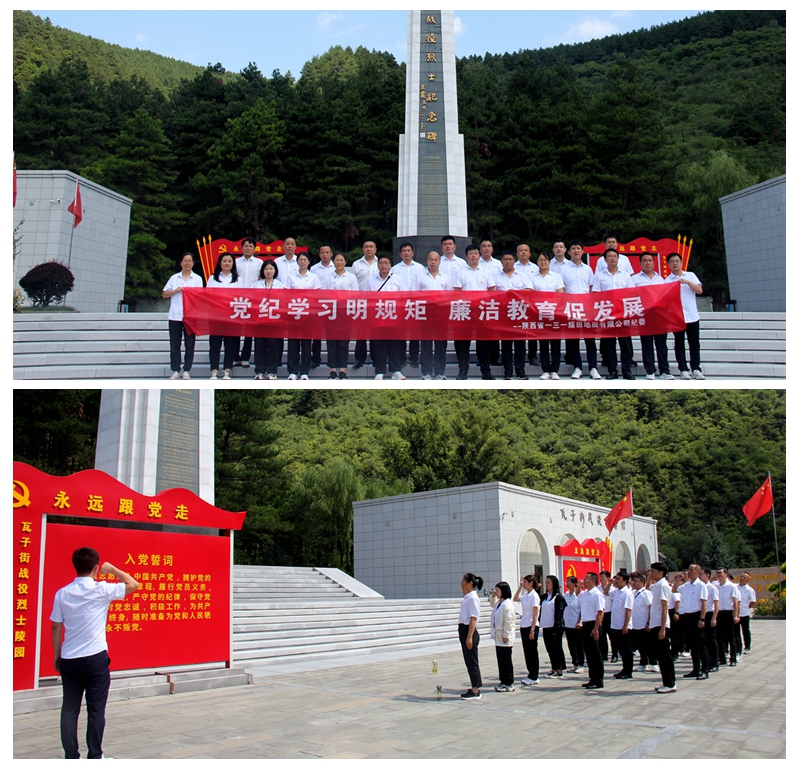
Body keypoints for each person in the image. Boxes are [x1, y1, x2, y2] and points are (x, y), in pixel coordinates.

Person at [50, 547, 139, 759]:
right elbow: (133, 584)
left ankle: (71, 756)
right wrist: (114, 569)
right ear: (96, 568)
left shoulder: (62, 593)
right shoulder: (101, 589)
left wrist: (57, 655)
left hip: (70, 658)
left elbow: (56, 626)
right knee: (96, 710)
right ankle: (95, 756)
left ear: (76, 566)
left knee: (69, 709)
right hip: (94, 658)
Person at [362, 254, 407, 381]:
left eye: (386, 262)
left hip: (394, 317)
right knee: (379, 345)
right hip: (378, 317)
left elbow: (405, 296)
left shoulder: (397, 279)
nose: (383, 265)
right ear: (378, 265)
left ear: (390, 265)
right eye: (381, 263)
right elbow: (366, 298)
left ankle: (396, 371)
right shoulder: (371, 280)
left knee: (394, 344)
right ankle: (380, 371)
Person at [454, 244, 496, 381]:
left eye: (475, 253)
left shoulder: (485, 271)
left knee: (483, 344)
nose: (473, 255)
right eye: (470, 253)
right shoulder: (460, 272)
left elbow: (491, 290)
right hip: (465, 311)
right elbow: (457, 292)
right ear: (466, 256)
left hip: (482, 311)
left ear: (479, 255)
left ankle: (486, 372)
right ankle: (463, 371)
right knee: (463, 344)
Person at [561, 240, 601, 380]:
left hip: (586, 307)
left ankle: (593, 367)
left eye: (578, 248)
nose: (576, 251)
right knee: (573, 339)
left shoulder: (588, 269)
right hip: (570, 307)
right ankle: (577, 367)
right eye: (573, 249)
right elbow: (561, 289)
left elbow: (591, 288)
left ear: (583, 251)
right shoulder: (563, 269)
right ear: (569, 252)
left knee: (590, 339)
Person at [593, 249, 635, 380]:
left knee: (626, 345)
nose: (612, 258)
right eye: (609, 256)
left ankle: (626, 370)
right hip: (607, 314)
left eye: (615, 256)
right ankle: (612, 371)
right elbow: (595, 294)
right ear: (605, 260)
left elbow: (632, 294)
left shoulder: (626, 276)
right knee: (609, 345)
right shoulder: (599, 276)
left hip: (623, 314)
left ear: (618, 259)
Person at [632, 252, 675, 380]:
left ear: (654, 262)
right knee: (647, 344)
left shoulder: (660, 279)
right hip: (644, 315)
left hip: (660, 316)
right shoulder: (635, 279)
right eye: (645, 261)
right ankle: (650, 370)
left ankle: (664, 371)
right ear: (640, 263)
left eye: (650, 260)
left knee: (661, 344)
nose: (648, 263)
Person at [162, 251, 204, 380]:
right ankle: (175, 370)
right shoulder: (174, 278)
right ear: (181, 263)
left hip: (190, 317)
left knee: (189, 344)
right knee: (175, 344)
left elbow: (200, 297)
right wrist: (175, 291)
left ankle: (186, 370)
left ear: (193, 263)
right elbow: (164, 294)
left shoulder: (197, 279)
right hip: (175, 316)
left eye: (189, 261)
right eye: (185, 261)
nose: (187, 263)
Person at [664, 251, 705, 380]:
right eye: (672, 261)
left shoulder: (691, 275)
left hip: (692, 315)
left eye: (677, 261)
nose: (675, 263)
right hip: (677, 317)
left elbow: (699, 290)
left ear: (681, 263)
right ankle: (683, 369)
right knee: (679, 344)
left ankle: (696, 368)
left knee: (694, 343)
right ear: (668, 265)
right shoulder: (667, 281)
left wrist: (687, 282)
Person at [495, 251, 532, 380]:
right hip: (504, 314)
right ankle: (508, 372)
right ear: (501, 262)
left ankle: (520, 371)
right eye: (505, 259)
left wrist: (515, 293)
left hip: (519, 313)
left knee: (520, 345)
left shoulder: (521, 276)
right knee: (506, 345)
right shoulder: (496, 277)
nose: (508, 262)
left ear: (514, 261)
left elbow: (529, 290)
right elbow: (491, 293)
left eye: (510, 259)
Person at [322, 251, 359, 379]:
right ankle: (332, 370)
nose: (339, 262)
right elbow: (324, 295)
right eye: (337, 260)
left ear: (345, 262)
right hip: (331, 314)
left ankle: (343, 370)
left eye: (341, 260)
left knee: (344, 344)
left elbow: (355, 296)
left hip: (345, 314)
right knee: (331, 343)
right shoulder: (328, 277)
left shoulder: (351, 278)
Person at [285, 252, 321, 380]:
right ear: (297, 262)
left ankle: (305, 371)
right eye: (300, 260)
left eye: (305, 260)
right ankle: (293, 371)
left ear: (309, 262)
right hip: (294, 313)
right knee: (293, 343)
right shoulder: (291, 277)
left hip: (308, 314)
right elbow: (286, 295)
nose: (302, 262)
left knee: (306, 344)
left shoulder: (314, 277)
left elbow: (317, 295)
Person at [417, 251, 453, 381]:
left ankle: (439, 372)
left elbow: (449, 297)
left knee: (440, 345)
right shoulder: (420, 277)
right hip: (425, 315)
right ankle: (426, 372)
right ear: (427, 261)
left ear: (439, 262)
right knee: (425, 345)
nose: (433, 262)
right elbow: (415, 296)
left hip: (441, 316)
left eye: (435, 260)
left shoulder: (446, 278)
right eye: (431, 259)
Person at [531, 251, 566, 379]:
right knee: (543, 343)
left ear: (549, 262)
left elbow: (560, 292)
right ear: (537, 263)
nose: (543, 262)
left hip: (554, 312)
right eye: (540, 260)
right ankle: (545, 370)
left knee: (555, 343)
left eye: (545, 260)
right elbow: (530, 294)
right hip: (539, 313)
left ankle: (555, 369)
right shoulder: (533, 277)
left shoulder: (556, 276)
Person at [206, 253, 240, 380]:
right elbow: (208, 296)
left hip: (232, 316)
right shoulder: (213, 278)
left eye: (229, 261)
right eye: (224, 261)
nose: (227, 263)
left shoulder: (238, 279)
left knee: (230, 345)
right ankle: (214, 370)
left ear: (233, 264)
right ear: (220, 263)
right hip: (216, 316)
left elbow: (241, 297)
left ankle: (227, 370)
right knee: (215, 345)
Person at [393, 242, 426, 368]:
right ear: (400, 253)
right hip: (400, 305)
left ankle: (414, 358)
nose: (406, 253)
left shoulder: (420, 268)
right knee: (400, 332)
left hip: (415, 304)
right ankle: (401, 358)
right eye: (404, 251)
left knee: (414, 332)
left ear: (413, 253)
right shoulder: (395, 269)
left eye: (409, 250)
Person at [252, 259, 285, 381]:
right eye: (266, 269)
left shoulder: (280, 285)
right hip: (259, 320)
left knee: (274, 346)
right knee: (260, 346)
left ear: (275, 271)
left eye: (271, 269)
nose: (268, 271)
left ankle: (272, 371)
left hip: (275, 321)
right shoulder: (256, 285)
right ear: (262, 271)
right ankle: (259, 371)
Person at [676, 563, 710, 680]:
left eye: (690, 570)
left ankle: (705, 669)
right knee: (692, 645)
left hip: (697, 616)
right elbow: (674, 590)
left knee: (700, 644)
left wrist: (702, 618)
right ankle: (696, 669)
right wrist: (679, 579)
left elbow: (704, 603)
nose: (688, 572)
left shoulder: (701, 585)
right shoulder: (686, 586)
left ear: (697, 572)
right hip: (687, 616)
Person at [234, 237, 263, 369]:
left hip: (253, 299)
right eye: (245, 246)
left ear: (254, 248)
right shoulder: (235, 262)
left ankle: (245, 357)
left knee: (249, 330)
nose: (248, 248)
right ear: (242, 248)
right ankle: (235, 356)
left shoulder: (259, 263)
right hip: (237, 299)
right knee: (235, 329)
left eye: (250, 246)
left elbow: (261, 279)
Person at [647, 562, 677, 693]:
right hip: (655, 624)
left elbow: (665, 607)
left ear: (661, 573)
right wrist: (649, 575)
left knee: (665, 656)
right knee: (660, 655)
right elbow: (647, 586)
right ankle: (666, 682)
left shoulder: (663, 586)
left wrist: (663, 628)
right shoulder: (657, 585)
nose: (651, 573)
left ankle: (670, 684)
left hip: (661, 624)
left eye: (653, 571)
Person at [351, 240, 379, 370]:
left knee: (375, 332)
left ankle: (375, 358)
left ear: (375, 249)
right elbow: (353, 283)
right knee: (361, 333)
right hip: (361, 302)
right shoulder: (356, 265)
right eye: (366, 246)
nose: (369, 249)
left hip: (377, 303)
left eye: (371, 247)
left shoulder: (381, 263)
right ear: (363, 249)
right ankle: (359, 358)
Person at [310, 244, 336, 369]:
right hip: (317, 304)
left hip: (333, 305)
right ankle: (316, 358)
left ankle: (333, 359)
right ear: (319, 255)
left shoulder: (336, 267)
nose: (325, 255)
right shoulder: (314, 269)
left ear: (331, 254)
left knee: (332, 333)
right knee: (317, 333)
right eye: (322, 253)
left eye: (327, 252)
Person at [458, 573, 483, 700]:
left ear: (470, 583)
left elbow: (473, 618)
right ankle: (474, 686)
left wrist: (469, 637)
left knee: (472, 661)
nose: (461, 582)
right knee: (469, 661)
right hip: (464, 630)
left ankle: (475, 689)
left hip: (469, 630)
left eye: (464, 580)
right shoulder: (468, 596)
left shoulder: (473, 598)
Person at [513, 575, 540, 686]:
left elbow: (535, 614)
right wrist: (519, 587)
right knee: (527, 652)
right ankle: (530, 674)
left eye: (525, 582)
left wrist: (533, 629)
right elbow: (515, 599)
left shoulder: (534, 596)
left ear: (531, 583)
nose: (523, 584)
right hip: (524, 625)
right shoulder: (526, 595)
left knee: (532, 652)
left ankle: (534, 675)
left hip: (531, 625)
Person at [490, 581, 516, 692]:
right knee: (501, 660)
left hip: (504, 637)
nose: (496, 592)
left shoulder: (508, 604)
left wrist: (506, 635)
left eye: (498, 590)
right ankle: (503, 681)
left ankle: (509, 682)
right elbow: (492, 604)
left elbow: (509, 622)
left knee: (506, 660)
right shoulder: (500, 603)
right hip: (498, 637)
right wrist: (492, 595)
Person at [540, 575, 567, 678]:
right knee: (549, 648)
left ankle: (559, 670)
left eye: (548, 583)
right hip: (546, 626)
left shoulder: (558, 597)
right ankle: (553, 668)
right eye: (546, 582)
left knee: (557, 648)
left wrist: (557, 627)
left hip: (555, 627)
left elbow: (559, 613)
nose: (546, 584)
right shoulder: (545, 596)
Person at [610, 572, 634, 679]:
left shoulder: (627, 593)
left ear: (625, 581)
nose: (616, 581)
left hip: (624, 626)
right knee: (621, 650)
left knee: (626, 650)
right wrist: (610, 583)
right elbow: (606, 592)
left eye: (618, 579)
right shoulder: (616, 592)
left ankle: (628, 671)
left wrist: (625, 625)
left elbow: (628, 610)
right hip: (616, 625)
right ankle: (624, 669)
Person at [715, 566, 740, 666]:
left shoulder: (732, 586)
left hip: (728, 613)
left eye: (720, 573)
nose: (718, 575)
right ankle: (722, 658)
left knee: (731, 637)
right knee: (719, 637)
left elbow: (735, 602)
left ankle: (733, 658)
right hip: (718, 613)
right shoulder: (715, 586)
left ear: (726, 574)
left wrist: (736, 615)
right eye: (717, 573)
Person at [630, 572, 654, 673]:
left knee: (649, 645)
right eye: (633, 581)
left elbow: (651, 608)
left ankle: (654, 662)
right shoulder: (633, 593)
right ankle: (643, 662)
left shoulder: (646, 593)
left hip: (644, 624)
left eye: (636, 581)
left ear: (643, 583)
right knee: (640, 645)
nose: (634, 583)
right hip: (636, 624)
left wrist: (648, 622)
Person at [699, 568, 720, 672]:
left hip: (709, 614)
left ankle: (714, 662)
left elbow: (716, 604)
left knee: (711, 640)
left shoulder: (712, 588)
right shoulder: (699, 586)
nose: (699, 576)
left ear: (707, 575)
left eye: (701, 574)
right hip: (701, 614)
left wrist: (714, 618)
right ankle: (706, 662)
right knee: (704, 640)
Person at [563, 576, 585, 674]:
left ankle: (581, 664)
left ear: (574, 583)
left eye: (569, 582)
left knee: (579, 645)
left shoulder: (580, 596)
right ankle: (575, 663)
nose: (567, 584)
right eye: (566, 582)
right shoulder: (566, 595)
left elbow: (582, 610)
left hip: (577, 625)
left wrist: (580, 621)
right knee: (571, 645)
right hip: (568, 624)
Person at [735, 572, 757, 656]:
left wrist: (747, 607)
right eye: (741, 576)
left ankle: (747, 646)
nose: (742, 578)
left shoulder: (750, 590)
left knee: (745, 631)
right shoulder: (735, 587)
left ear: (748, 580)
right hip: (736, 613)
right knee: (736, 632)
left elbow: (753, 601)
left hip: (744, 613)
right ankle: (738, 648)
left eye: (744, 577)